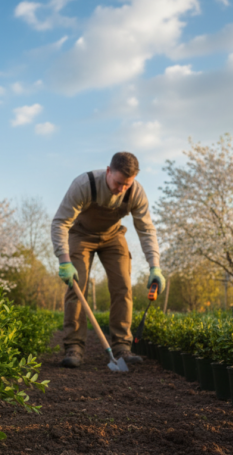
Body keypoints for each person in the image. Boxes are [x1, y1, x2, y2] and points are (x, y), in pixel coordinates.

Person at [51, 152, 165, 368]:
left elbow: (146, 229)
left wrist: (155, 267)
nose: (121, 189)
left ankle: (122, 346)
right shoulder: (84, 184)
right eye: (118, 182)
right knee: (77, 286)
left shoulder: (136, 192)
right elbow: (60, 222)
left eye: (127, 184)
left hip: (113, 236)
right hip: (81, 235)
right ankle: (74, 346)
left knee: (123, 286)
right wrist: (64, 260)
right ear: (108, 171)